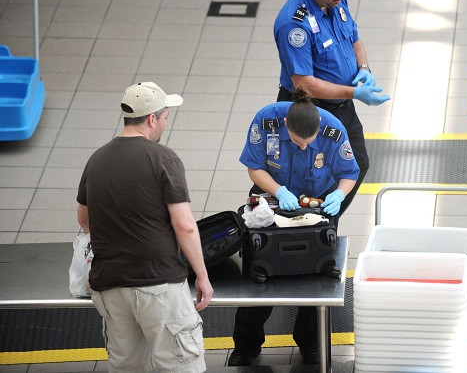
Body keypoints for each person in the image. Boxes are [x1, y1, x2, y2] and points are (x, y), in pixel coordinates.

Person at [76, 82, 214, 372]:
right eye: (165, 117)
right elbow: (185, 226)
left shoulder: (96, 160)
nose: (165, 123)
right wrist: (202, 275)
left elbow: (84, 220)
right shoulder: (163, 158)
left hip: (110, 285)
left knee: (128, 366)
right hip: (157, 283)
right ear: (152, 118)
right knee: (180, 364)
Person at [228, 88, 360, 366]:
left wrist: (339, 195)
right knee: (260, 274)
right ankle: (246, 346)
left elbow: (349, 172)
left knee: (315, 279)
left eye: (308, 143)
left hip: (316, 205)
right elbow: (255, 167)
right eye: (298, 142)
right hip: (272, 199)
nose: (303, 148)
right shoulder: (267, 121)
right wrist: (281, 191)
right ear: (286, 124)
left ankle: (311, 346)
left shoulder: (333, 130)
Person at [273, 0, 391, 217]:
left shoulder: (335, 0)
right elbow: (304, 84)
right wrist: (355, 93)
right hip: (309, 107)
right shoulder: (294, 24)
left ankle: (324, 221)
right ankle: (306, 222)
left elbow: (355, 39)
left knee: (357, 163)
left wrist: (364, 68)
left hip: (341, 105)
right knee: (303, 171)